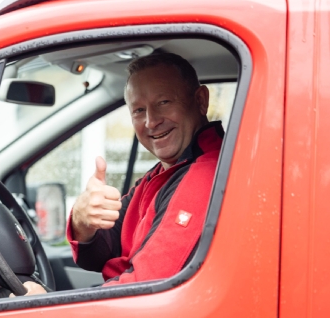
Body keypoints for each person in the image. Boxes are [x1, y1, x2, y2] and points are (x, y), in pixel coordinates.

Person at [13, 52, 224, 296]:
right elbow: (105, 250)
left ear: (200, 101)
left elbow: (145, 290)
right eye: (138, 110)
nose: (151, 121)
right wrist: (83, 220)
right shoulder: (161, 173)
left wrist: (46, 308)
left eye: (164, 102)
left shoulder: (204, 174)